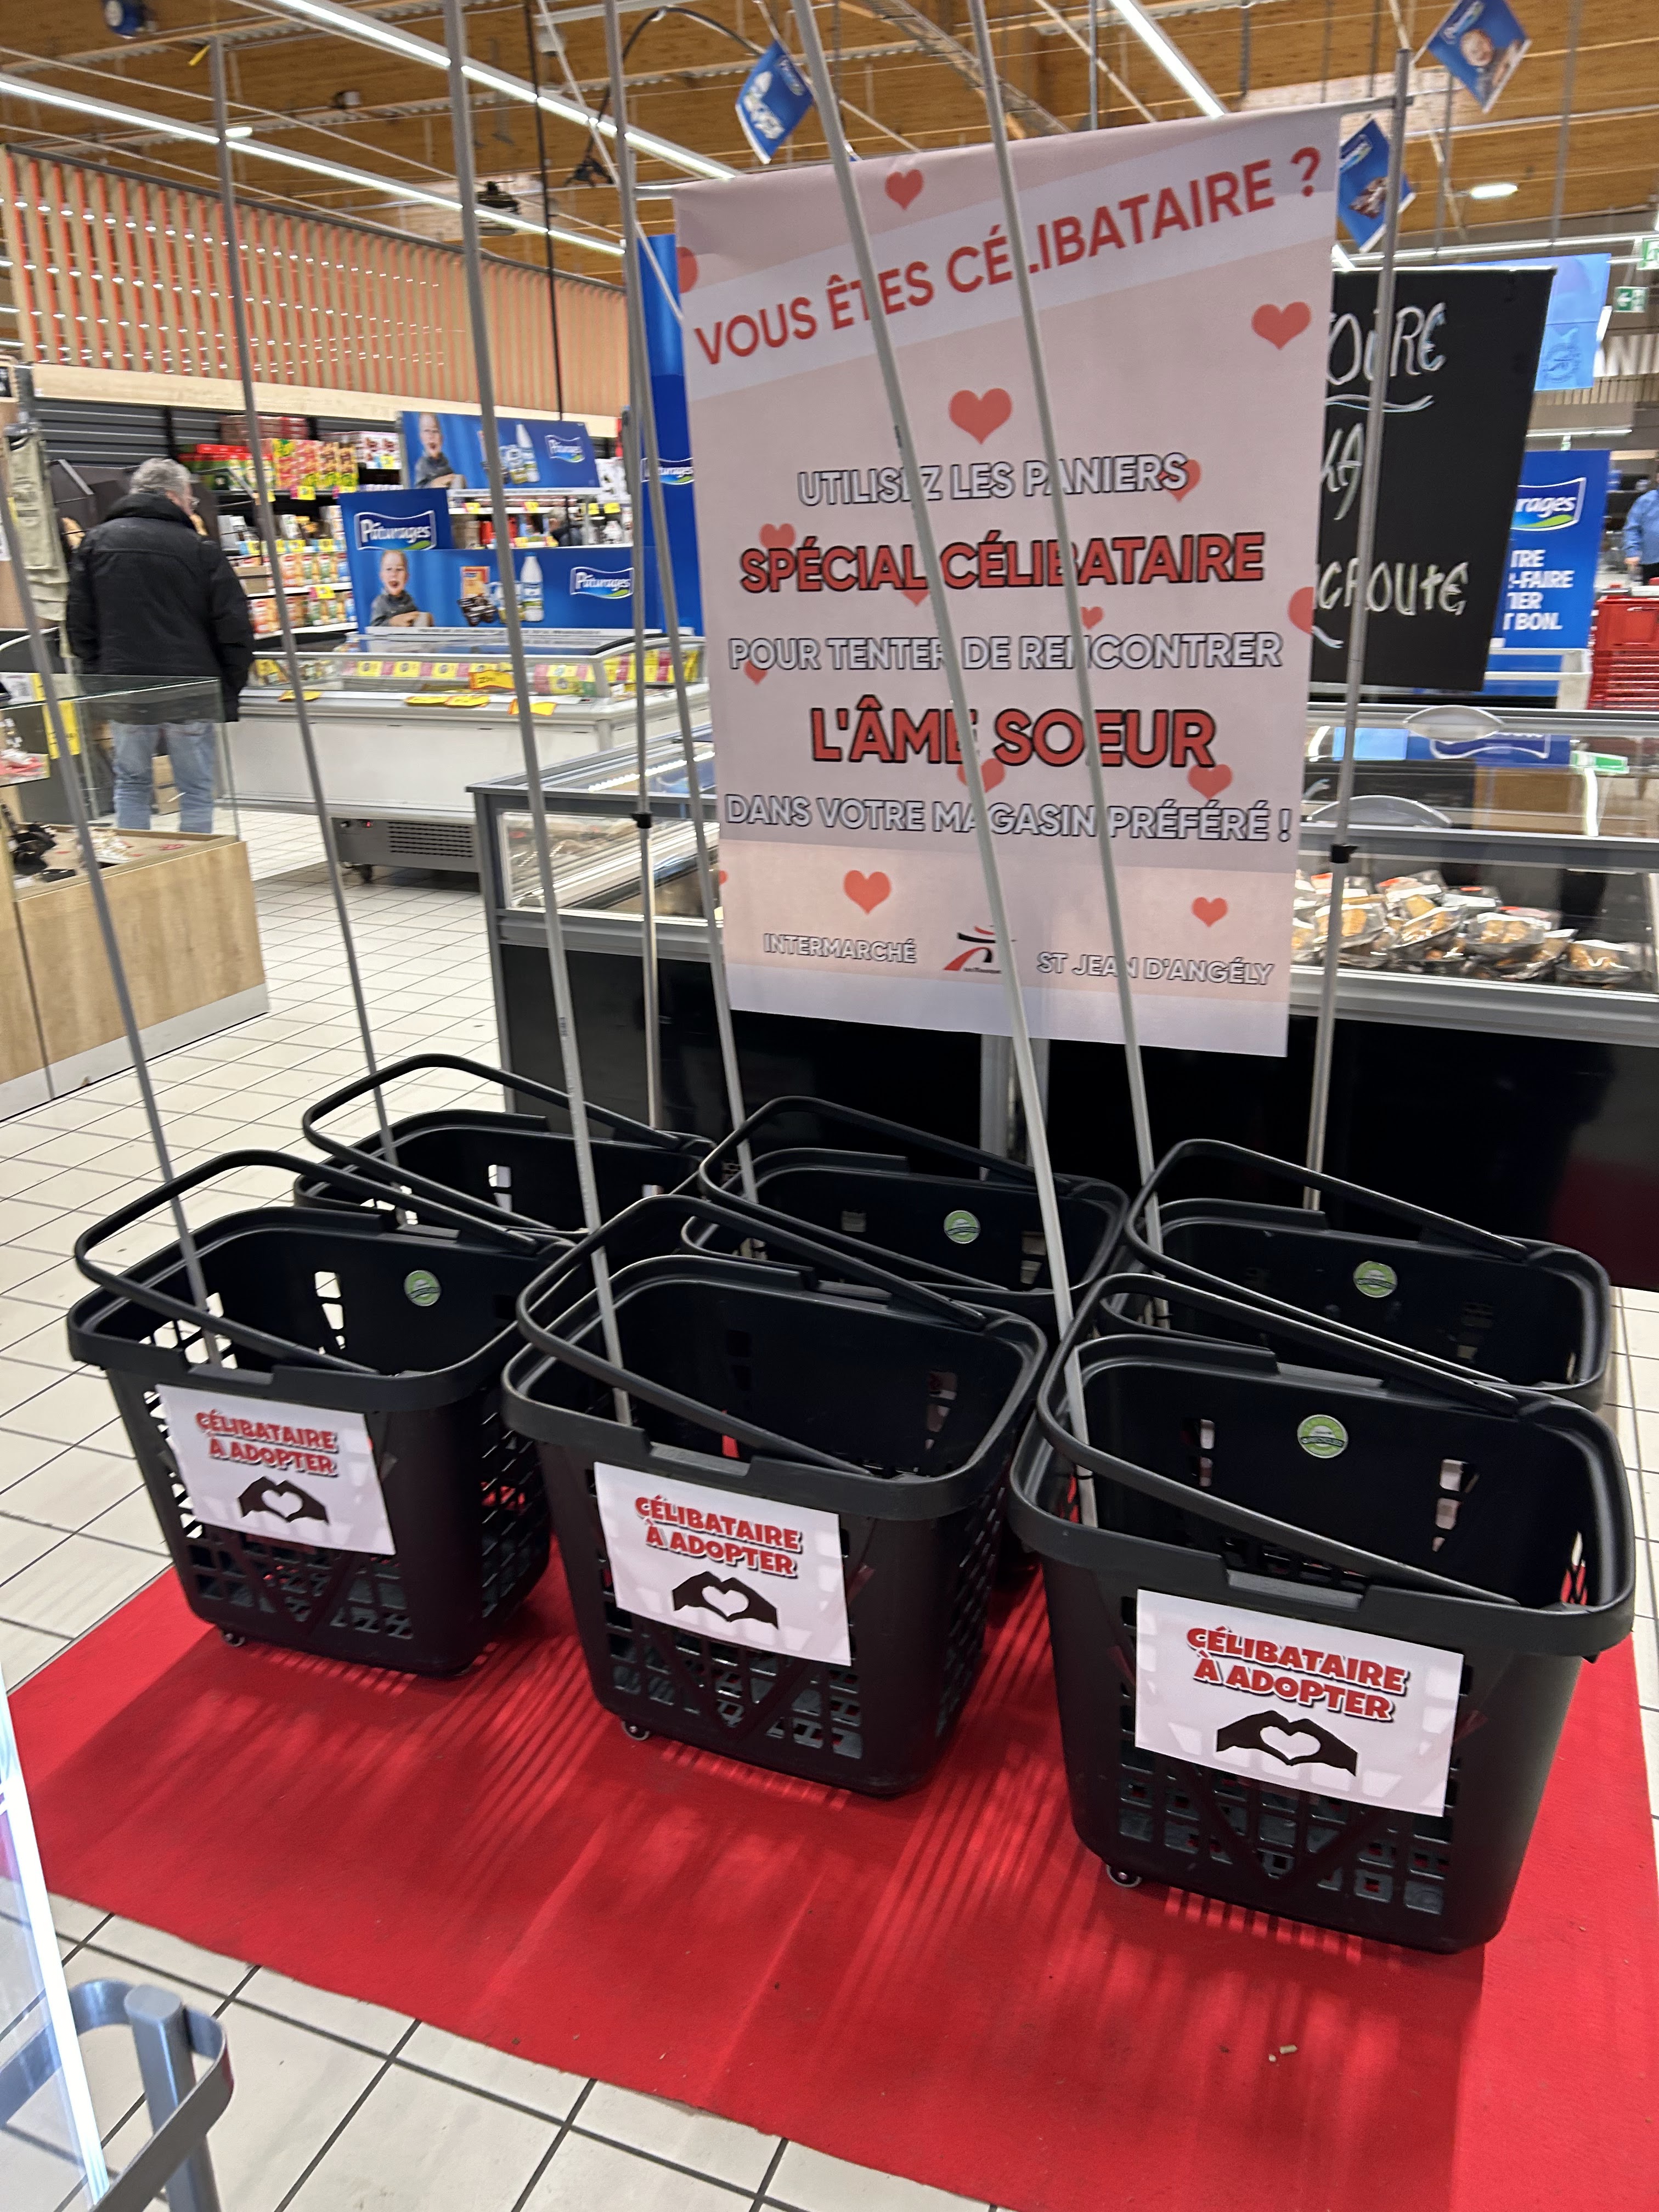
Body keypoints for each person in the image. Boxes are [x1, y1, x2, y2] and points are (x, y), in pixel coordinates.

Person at [65, 456, 252, 834]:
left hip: (125, 686)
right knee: (196, 789)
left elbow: (79, 623)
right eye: (190, 499)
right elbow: (234, 626)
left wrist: (100, 673)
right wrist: (227, 687)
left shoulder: (96, 544)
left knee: (131, 783)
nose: (191, 507)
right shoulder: (199, 549)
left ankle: (135, 862)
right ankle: (195, 863)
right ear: (171, 496)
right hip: (192, 689)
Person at [368, 547, 427, 627]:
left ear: (407, 577)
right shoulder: (380, 602)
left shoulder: (409, 599)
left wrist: (424, 620)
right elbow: (375, 628)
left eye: (399, 569)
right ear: (382, 576)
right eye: (389, 569)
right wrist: (392, 622)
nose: (394, 574)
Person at [413, 413, 464, 489]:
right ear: (421, 437)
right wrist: (434, 484)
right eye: (426, 431)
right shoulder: (422, 465)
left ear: (442, 438)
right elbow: (419, 491)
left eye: (435, 431)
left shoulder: (445, 461)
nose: (431, 436)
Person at [1625, 479, 1659, 584]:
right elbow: (1633, 529)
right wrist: (1632, 552)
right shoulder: (1645, 501)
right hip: (1653, 563)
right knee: (1652, 594)